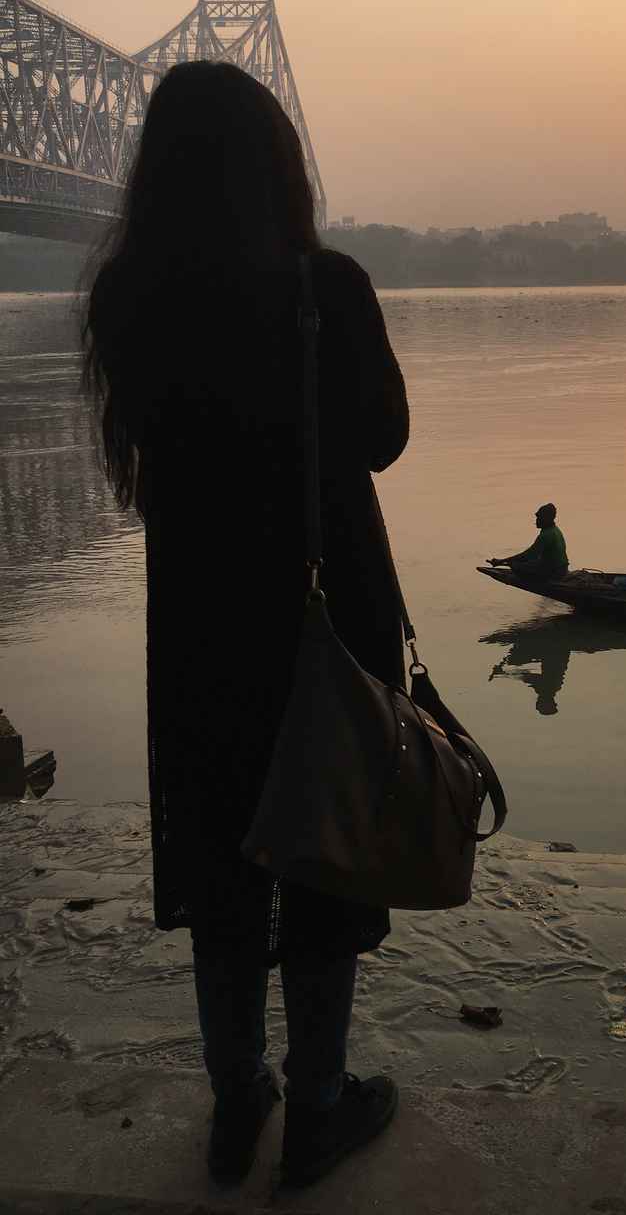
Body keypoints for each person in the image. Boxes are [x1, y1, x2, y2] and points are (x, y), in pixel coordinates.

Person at [82, 62, 407, 1189]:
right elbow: (383, 439)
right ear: (278, 163)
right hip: (327, 621)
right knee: (323, 852)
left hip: (200, 629)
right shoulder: (328, 289)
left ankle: (237, 1101)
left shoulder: (128, 301)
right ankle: (317, 1107)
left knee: (223, 861)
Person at [488, 503, 569, 582]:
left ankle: (537, 580)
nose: (537, 520)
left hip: (555, 572)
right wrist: (505, 562)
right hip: (562, 569)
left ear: (547, 518)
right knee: (521, 562)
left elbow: (529, 555)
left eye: (539, 517)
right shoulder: (555, 529)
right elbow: (532, 554)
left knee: (516, 566)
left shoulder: (546, 535)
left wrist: (502, 561)